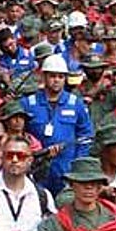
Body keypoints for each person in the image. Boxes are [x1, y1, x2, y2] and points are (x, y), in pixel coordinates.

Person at [22, 53, 93, 194]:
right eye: (52, 76)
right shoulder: (28, 103)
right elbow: (19, 133)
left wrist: (78, 164)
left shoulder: (75, 103)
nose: (56, 80)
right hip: (37, 169)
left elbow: (86, 136)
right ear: (44, 77)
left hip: (66, 168)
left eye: (60, 77)